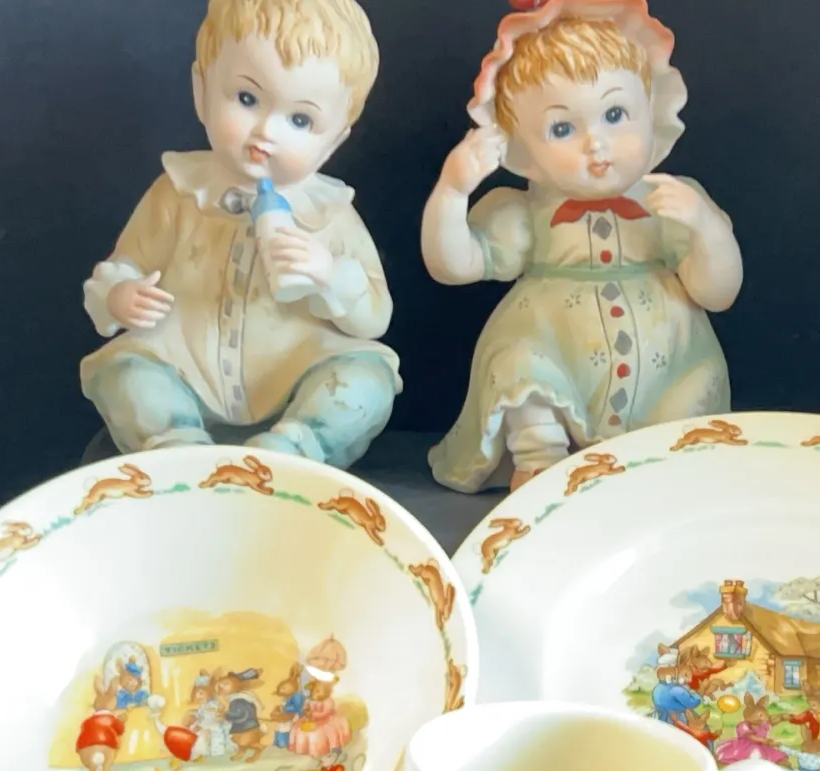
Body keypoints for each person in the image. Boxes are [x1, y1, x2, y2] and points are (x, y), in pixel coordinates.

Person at [424, 0, 742, 491]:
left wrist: (707, 230)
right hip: (555, 350)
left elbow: (718, 294)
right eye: (562, 128)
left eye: (615, 114)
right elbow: (454, 266)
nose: (596, 143)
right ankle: (542, 461)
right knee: (518, 361)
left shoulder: (672, 201)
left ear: (650, 109)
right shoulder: (523, 212)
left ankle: (663, 469)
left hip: (669, 369)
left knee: (691, 392)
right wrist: (451, 192)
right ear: (523, 148)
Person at [79, 0, 401, 468]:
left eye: (300, 120)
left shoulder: (329, 214)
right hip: (182, 365)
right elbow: (126, 263)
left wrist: (328, 274)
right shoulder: (178, 194)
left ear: (334, 140)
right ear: (202, 90)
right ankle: (177, 448)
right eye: (247, 99)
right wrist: (119, 296)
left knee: (366, 383)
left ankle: (290, 451)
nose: (266, 132)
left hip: (292, 369)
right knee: (124, 374)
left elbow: (374, 317)